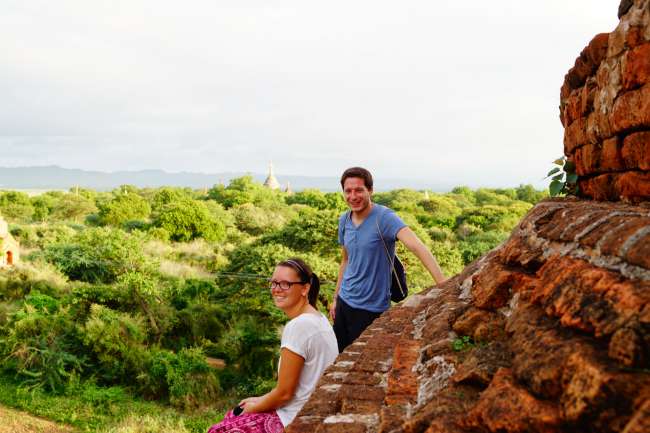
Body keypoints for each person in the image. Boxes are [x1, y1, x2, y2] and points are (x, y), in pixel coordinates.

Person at [208, 258, 338, 433]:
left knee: (219, 429)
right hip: (311, 410)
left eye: (285, 284)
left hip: (294, 417)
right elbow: (293, 389)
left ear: (305, 288)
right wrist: (258, 399)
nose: (276, 289)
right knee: (234, 414)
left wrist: (253, 408)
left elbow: (285, 394)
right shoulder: (318, 318)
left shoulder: (299, 326)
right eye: (274, 283)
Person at [330, 167, 447, 353]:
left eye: (359, 190)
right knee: (340, 356)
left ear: (370, 190)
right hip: (345, 302)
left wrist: (443, 285)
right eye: (348, 191)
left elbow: (418, 247)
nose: (353, 196)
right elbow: (346, 260)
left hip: (371, 308)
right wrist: (336, 298)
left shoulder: (384, 218)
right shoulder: (344, 220)